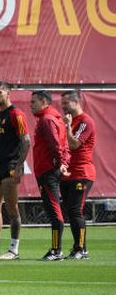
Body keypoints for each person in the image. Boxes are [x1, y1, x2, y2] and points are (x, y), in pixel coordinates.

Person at [0, 81, 31, 260]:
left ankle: (14, 249)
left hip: (10, 168)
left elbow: (26, 140)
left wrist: (19, 165)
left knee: (12, 210)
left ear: (8, 93)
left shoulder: (16, 114)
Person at [30, 90, 71, 260]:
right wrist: (64, 163)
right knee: (54, 209)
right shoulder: (55, 119)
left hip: (47, 171)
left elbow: (55, 145)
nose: (31, 105)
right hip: (51, 169)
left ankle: (56, 250)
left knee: (54, 211)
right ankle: (56, 249)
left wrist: (60, 162)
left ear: (43, 101)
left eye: (33, 102)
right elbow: (65, 145)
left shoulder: (46, 120)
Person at [60, 90, 94, 260]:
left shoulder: (85, 121)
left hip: (82, 172)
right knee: (71, 211)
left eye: (66, 103)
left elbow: (73, 145)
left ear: (76, 102)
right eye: (62, 103)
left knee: (75, 211)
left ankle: (80, 249)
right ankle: (80, 249)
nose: (63, 106)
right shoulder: (71, 120)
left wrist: (66, 126)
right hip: (68, 173)